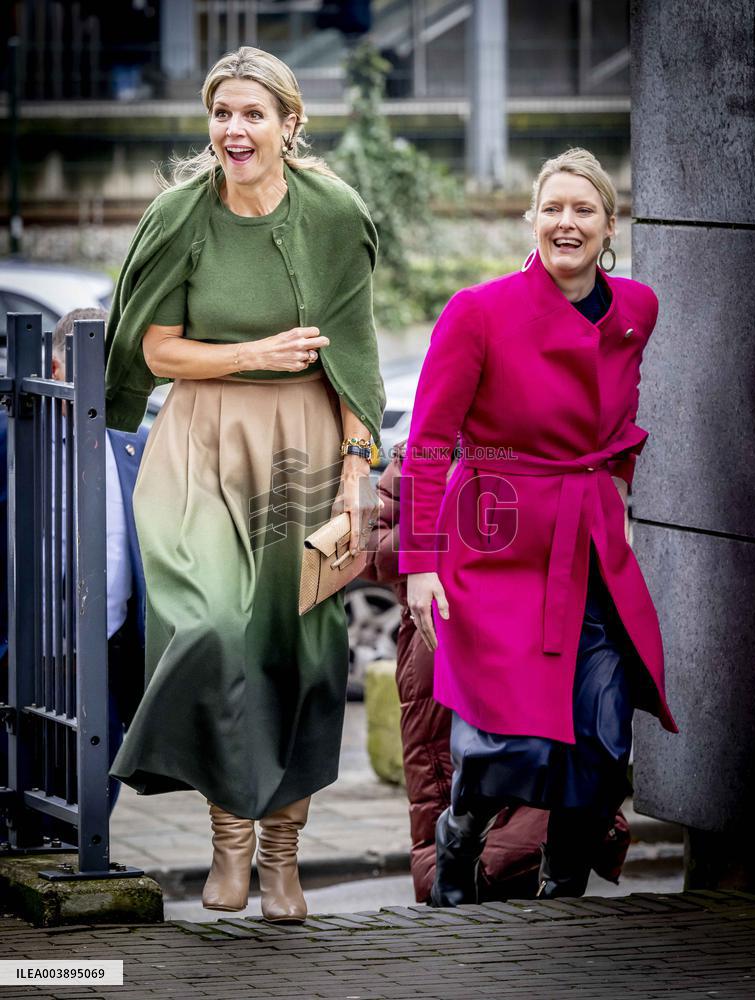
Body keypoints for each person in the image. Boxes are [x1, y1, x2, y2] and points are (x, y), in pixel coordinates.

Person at [104, 46, 384, 922]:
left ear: (288, 123)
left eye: (253, 114)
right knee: (215, 633)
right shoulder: (180, 215)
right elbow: (153, 350)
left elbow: (356, 358)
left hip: (304, 442)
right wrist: (251, 356)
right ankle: (227, 840)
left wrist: (357, 473)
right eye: (222, 113)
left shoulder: (334, 214)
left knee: (296, 654)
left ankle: (281, 860)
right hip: (197, 442)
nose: (234, 129)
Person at [399, 148, 678, 906]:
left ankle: (563, 902)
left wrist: (615, 492)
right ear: (531, 218)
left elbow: (621, 424)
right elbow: (428, 444)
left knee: (600, 733)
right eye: (552, 207)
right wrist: (420, 564)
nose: (566, 222)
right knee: (509, 737)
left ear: (608, 225)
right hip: (494, 537)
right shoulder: (479, 311)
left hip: (589, 544)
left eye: (583, 209)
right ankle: (459, 839)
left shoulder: (636, 310)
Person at [363, 440, 631, 902]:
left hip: (523, 639)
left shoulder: (540, 454)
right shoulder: (419, 458)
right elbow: (368, 548)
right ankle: (457, 897)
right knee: (446, 782)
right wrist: (444, 532)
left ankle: (539, 896)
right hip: (436, 647)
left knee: (536, 777)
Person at [50, 308, 148, 814]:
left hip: (108, 651)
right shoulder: (20, 437)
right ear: (56, 368)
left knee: (94, 791)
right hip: (34, 655)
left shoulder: (136, 442)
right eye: (90, 365)